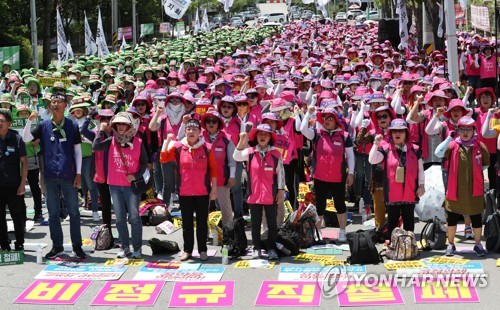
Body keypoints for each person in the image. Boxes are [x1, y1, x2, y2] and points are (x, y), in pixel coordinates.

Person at [22, 92, 85, 259]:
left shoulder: (72, 125)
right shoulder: (43, 125)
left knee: (74, 212)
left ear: (65, 106)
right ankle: (57, 246)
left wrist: (78, 173)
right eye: (53, 102)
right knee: (53, 213)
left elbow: (78, 150)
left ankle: (77, 246)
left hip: (69, 174)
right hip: (50, 174)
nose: (55, 104)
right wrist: (30, 120)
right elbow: (26, 138)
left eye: (59, 102)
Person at [160, 119, 217, 261]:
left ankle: (203, 250)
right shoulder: (178, 147)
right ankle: (187, 250)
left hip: (203, 192)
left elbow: (214, 170)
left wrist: (214, 189)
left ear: (200, 132)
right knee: (186, 223)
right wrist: (167, 142)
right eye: (188, 129)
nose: (191, 132)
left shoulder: (207, 148)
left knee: (202, 222)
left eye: (194, 130)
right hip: (184, 191)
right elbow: (163, 158)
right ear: (185, 131)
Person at [92, 112, 148, 258]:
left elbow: (144, 163)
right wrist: (101, 130)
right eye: (118, 124)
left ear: (129, 125)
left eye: (124, 124)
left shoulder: (138, 142)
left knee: (134, 217)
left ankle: (137, 247)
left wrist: (135, 176)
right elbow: (96, 146)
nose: (121, 127)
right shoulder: (111, 140)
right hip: (114, 185)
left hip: (131, 186)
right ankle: (124, 247)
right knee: (120, 219)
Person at [435, 116, 489, 257]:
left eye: (469, 129)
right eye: (462, 129)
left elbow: (486, 163)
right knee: (452, 218)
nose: (465, 132)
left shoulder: (479, 146)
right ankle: (451, 245)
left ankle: (477, 245)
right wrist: (449, 138)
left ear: (474, 131)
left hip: (474, 188)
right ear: (458, 130)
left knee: (476, 217)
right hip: (455, 189)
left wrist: (474, 173)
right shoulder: (453, 145)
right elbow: (438, 153)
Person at [300, 107, 355, 242]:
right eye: (324, 118)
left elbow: (350, 156)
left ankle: (342, 231)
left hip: (338, 177)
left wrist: (351, 173)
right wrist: (308, 113)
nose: (327, 120)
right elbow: (302, 129)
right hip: (320, 176)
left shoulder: (344, 136)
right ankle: (318, 232)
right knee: (320, 205)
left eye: (330, 118)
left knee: (340, 204)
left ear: (336, 120)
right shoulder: (317, 133)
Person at [233, 124, 285, 260]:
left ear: (270, 138)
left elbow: (280, 174)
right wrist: (242, 140)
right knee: (255, 224)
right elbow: (236, 156)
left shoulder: (275, 154)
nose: (263, 137)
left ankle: (272, 248)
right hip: (254, 195)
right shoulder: (250, 152)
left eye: (266, 134)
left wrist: (280, 190)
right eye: (260, 134)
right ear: (256, 137)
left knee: (272, 224)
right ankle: (257, 248)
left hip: (271, 195)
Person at [369, 118, 425, 235]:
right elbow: (372, 160)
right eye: (394, 131)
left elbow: (420, 169)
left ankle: (409, 246)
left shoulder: (415, 149)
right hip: (392, 192)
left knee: (409, 220)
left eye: (401, 131)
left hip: (410, 191)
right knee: (392, 222)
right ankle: (392, 247)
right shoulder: (385, 148)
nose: (397, 134)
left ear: (406, 133)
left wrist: (421, 185)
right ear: (391, 133)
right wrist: (376, 144)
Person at [200, 109, 236, 226]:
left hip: (222, 179)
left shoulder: (227, 138)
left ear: (219, 123)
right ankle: (203, 235)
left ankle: (229, 235)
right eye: (208, 121)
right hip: (203, 180)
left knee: (226, 210)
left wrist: (232, 176)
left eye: (214, 121)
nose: (211, 123)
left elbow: (232, 160)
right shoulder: (199, 137)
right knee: (202, 210)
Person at [0, 109, 28, 251]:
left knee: (17, 216)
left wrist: (23, 184)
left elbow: (24, 162)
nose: (0, 123)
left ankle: (19, 243)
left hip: (14, 185)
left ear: (9, 123)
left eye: (2, 121)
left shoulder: (17, 138)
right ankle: (4, 244)